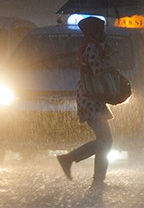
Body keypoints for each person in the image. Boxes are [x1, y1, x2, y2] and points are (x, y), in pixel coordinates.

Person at [57, 16, 113, 190]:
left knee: (105, 140)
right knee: (105, 140)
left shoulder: (91, 47)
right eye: (100, 29)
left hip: (91, 98)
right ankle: (69, 159)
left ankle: (98, 179)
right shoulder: (91, 48)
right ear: (93, 31)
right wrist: (109, 59)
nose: (103, 32)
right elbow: (99, 70)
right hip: (91, 100)